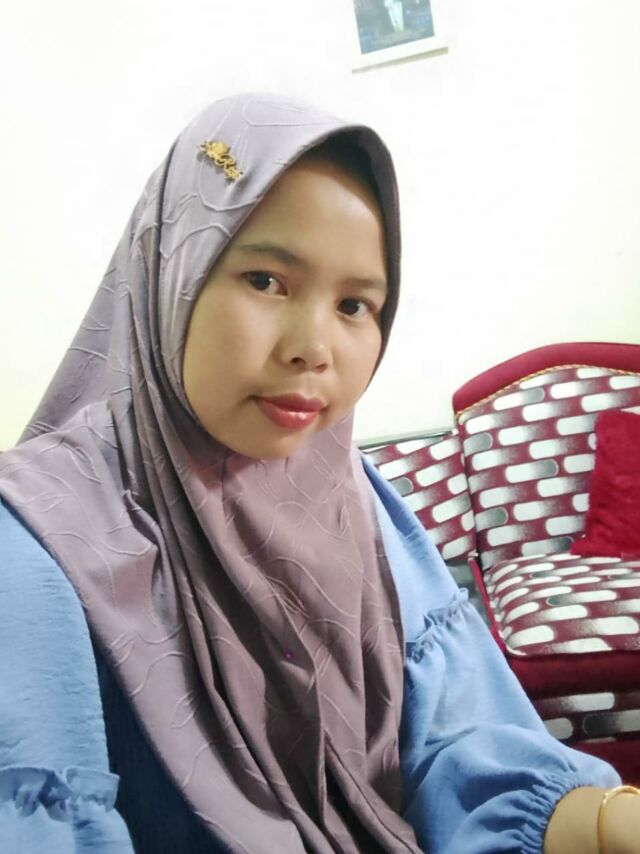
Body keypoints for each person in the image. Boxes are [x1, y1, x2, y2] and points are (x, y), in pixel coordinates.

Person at [0, 92, 638, 854]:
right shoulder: (39, 541)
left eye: (356, 304)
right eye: (266, 280)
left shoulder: (352, 494)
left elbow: (451, 740)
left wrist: (603, 822)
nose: (314, 347)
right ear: (173, 270)